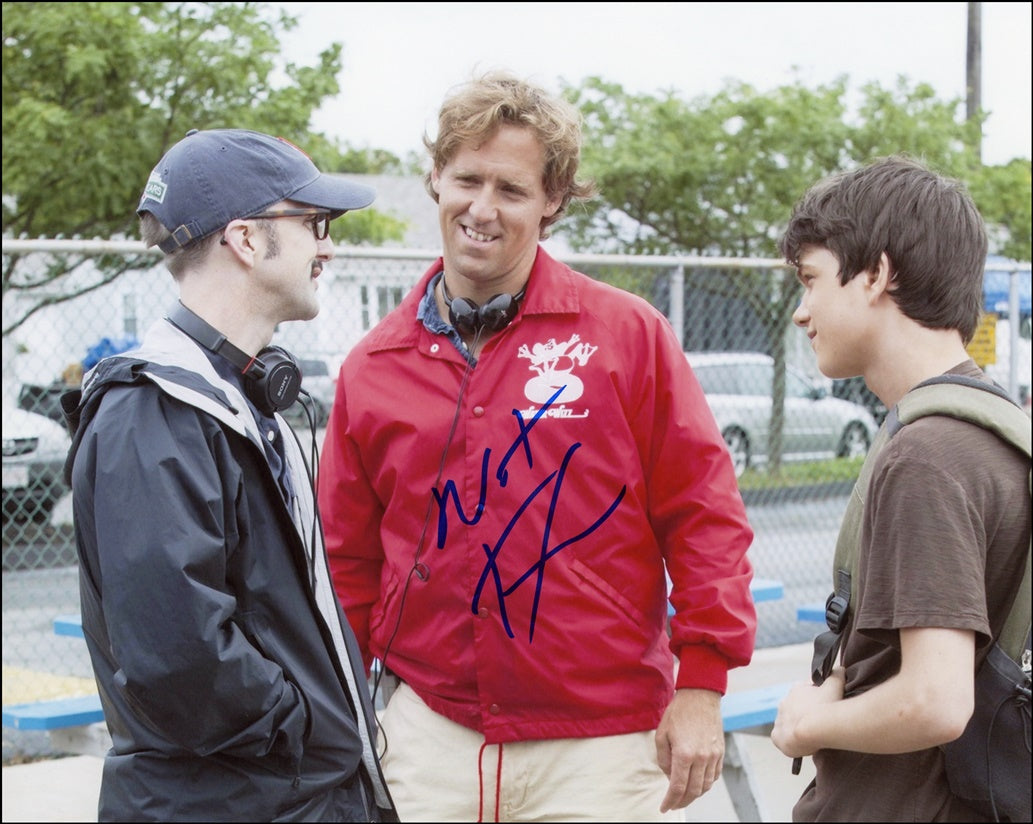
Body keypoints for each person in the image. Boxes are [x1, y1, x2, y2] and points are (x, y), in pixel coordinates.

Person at [317, 71, 756, 821]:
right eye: (466, 179)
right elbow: (346, 562)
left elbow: (703, 516)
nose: (481, 209)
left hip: (597, 742)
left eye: (511, 190)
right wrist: (340, 711)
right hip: (428, 737)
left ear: (551, 199)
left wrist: (701, 685)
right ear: (434, 179)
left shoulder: (625, 337)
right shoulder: (373, 366)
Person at [62, 128, 398, 822]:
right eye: (313, 224)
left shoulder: (232, 398)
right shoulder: (154, 414)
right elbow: (179, 658)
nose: (327, 246)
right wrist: (305, 726)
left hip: (279, 795)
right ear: (245, 240)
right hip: (238, 801)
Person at [770, 155, 1032, 821]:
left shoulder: (926, 456)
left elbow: (933, 700)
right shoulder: (993, 427)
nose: (802, 312)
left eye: (810, 280)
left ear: (876, 275)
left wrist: (808, 725)